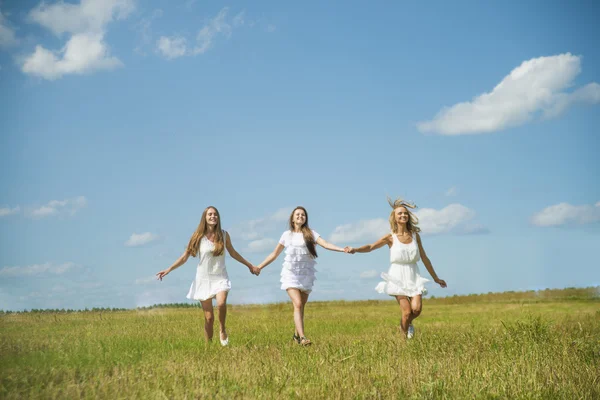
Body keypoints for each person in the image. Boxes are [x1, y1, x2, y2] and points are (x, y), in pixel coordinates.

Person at [156, 206, 259, 346]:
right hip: (203, 279)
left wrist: (250, 265)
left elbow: (233, 253)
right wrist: (169, 269)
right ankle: (208, 346)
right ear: (205, 217)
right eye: (210, 214)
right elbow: (185, 257)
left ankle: (222, 329)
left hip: (220, 277)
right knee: (209, 318)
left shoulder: (224, 235)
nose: (213, 216)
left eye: (215, 214)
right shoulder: (198, 236)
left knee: (221, 303)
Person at [347, 198, 447, 339]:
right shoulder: (390, 238)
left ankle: (407, 324)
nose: (403, 216)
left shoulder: (414, 235)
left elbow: (424, 258)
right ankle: (402, 340)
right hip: (397, 276)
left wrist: (436, 278)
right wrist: (355, 249)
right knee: (406, 312)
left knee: (416, 310)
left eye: (405, 213)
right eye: (399, 214)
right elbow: (370, 247)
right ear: (394, 217)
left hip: (414, 275)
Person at [256, 206, 348, 346]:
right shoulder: (286, 235)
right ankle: (303, 338)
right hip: (290, 274)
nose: (300, 216)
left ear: (305, 219)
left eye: (303, 215)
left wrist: (342, 249)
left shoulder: (311, 234)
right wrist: (259, 267)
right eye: (297, 214)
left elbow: (326, 244)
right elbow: (274, 254)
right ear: (292, 219)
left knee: (300, 307)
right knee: (297, 304)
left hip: (306, 274)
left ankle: (295, 337)